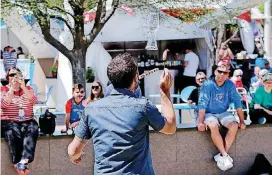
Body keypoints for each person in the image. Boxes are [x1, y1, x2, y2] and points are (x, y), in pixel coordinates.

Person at [67, 53, 176, 174]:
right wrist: (165, 90)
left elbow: (73, 151)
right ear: (135, 78)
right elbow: (170, 127)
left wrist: (75, 157)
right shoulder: (143, 106)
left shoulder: (90, 110)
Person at [197, 61, 246, 171]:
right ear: (215, 71)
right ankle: (224, 155)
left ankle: (223, 156)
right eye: (219, 71)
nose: (222, 74)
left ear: (228, 74)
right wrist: (200, 122)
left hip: (223, 112)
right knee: (213, 126)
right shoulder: (208, 84)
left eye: (225, 72)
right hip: (209, 113)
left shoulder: (230, 84)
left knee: (234, 125)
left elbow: (238, 103)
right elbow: (202, 104)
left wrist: (242, 121)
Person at [1, 67, 38, 175]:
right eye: (12, 75)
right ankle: (18, 163)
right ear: (8, 78)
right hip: (11, 121)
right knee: (11, 133)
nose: (14, 77)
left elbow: (34, 101)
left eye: (17, 75)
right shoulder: (3, 90)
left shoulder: (28, 89)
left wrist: (23, 87)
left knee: (33, 128)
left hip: (27, 120)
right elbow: (3, 105)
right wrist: (12, 89)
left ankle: (24, 161)